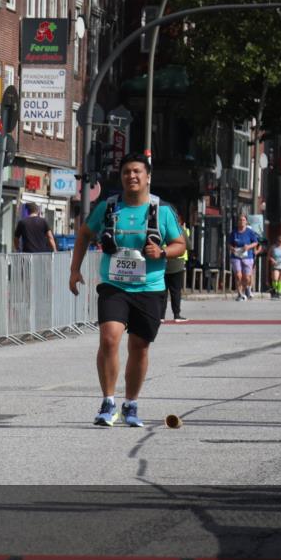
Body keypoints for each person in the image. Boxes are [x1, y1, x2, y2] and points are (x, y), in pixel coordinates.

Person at [69, 152, 185, 428]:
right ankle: (108, 403)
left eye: (137, 172)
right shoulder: (109, 207)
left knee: (140, 347)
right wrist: (75, 270)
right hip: (114, 284)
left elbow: (180, 244)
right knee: (109, 339)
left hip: (150, 287)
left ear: (147, 177)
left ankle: (130, 404)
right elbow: (85, 233)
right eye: (126, 172)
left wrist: (163, 251)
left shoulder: (162, 210)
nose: (131, 176)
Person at [164, 214, 191, 321]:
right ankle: (177, 315)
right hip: (177, 264)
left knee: (162, 291)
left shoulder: (161, 229)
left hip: (162, 263)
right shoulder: (180, 230)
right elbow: (189, 246)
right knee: (175, 291)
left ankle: (161, 316)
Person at [228, 214, 260, 301]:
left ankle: (247, 288)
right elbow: (229, 244)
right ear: (238, 222)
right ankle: (240, 294)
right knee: (238, 276)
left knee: (247, 277)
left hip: (248, 256)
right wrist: (232, 249)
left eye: (243, 220)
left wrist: (248, 247)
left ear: (246, 222)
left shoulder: (250, 232)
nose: (242, 222)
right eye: (240, 220)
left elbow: (256, 242)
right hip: (236, 256)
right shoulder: (234, 232)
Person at [267, 234, 281, 299]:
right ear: (276, 241)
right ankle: (275, 290)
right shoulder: (273, 247)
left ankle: (279, 292)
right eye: (279, 241)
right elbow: (268, 256)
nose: (280, 242)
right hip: (275, 264)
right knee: (275, 278)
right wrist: (272, 259)